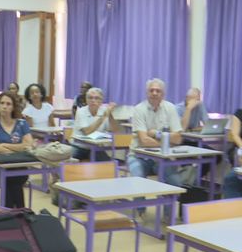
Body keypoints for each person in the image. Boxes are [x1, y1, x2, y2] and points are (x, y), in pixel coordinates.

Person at [127, 78, 183, 217]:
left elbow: (179, 138)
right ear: (147, 93)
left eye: (158, 90)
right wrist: (167, 142)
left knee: (174, 180)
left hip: (161, 158)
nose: (154, 93)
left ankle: (168, 216)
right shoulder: (139, 109)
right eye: (151, 90)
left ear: (163, 94)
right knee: (138, 177)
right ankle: (139, 212)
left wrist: (157, 134)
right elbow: (144, 140)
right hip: (138, 156)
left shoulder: (170, 108)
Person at [0, 92, 34, 208]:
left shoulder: (22, 123)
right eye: (2, 103)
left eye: (8, 104)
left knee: (14, 178)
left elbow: (28, 145)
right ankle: (20, 212)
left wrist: (5, 145)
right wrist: (18, 148)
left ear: (13, 107)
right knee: (12, 181)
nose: (5, 106)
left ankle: (10, 215)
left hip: (19, 166)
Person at [176, 87, 220, 177]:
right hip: (180, 143)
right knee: (187, 159)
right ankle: (188, 180)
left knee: (216, 156)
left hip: (195, 142)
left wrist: (195, 128)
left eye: (198, 99)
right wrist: (188, 109)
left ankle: (195, 179)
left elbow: (207, 124)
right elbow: (182, 129)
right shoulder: (178, 108)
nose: (197, 102)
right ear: (187, 98)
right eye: (194, 99)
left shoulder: (200, 105)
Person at [71, 87, 119, 161]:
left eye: (97, 98)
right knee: (67, 161)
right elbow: (87, 131)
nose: (93, 100)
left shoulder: (104, 111)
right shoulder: (81, 111)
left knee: (109, 165)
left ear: (101, 101)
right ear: (86, 100)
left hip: (96, 147)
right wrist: (103, 116)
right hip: (79, 147)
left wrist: (109, 114)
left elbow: (115, 130)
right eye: (90, 98)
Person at [223, 108, 242, 198]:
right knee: (231, 179)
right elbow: (235, 134)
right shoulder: (239, 113)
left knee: (231, 179)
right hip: (239, 149)